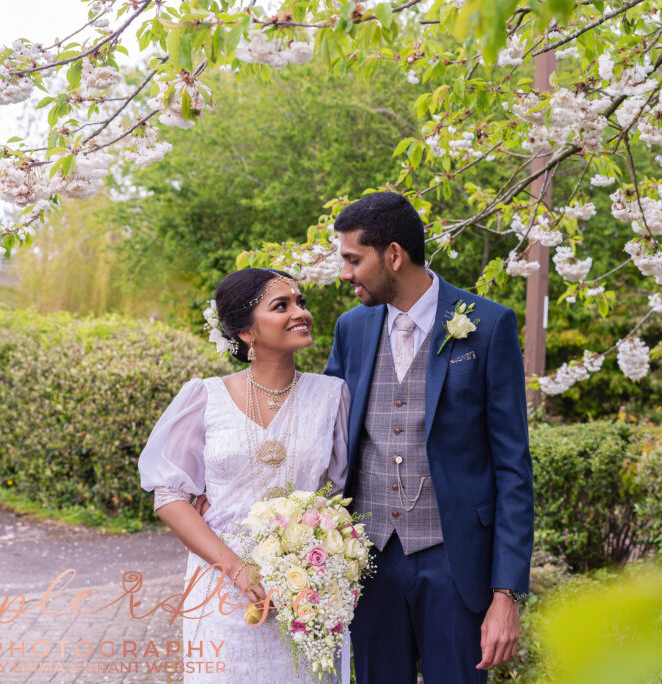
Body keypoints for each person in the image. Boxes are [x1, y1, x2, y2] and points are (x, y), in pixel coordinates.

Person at [324, 191, 534, 683]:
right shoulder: (350, 328)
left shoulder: (487, 325)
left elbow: (512, 468)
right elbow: (323, 434)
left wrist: (506, 594)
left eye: (354, 259)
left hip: (455, 561)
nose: (345, 273)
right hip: (368, 560)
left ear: (393, 255)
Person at [138, 268, 351, 683]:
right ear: (246, 332)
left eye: (300, 302)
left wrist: (317, 567)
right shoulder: (204, 397)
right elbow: (169, 495)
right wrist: (236, 568)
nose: (300, 312)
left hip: (306, 593)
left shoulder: (332, 396)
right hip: (221, 591)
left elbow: (340, 494)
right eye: (281, 305)